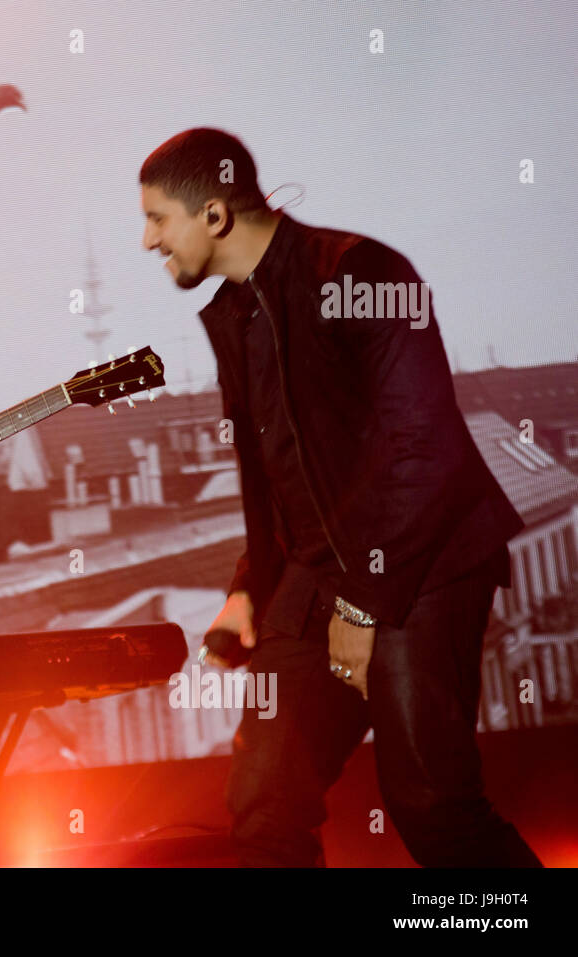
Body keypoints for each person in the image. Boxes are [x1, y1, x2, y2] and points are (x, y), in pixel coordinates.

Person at [137, 127, 541, 867]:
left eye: (158, 218)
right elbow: (276, 476)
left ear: (215, 215)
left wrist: (362, 604)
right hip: (313, 578)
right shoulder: (236, 314)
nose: (146, 240)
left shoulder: (360, 271)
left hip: (421, 565)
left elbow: (426, 451)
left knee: (434, 808)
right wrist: (248, 590)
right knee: (264, 807)